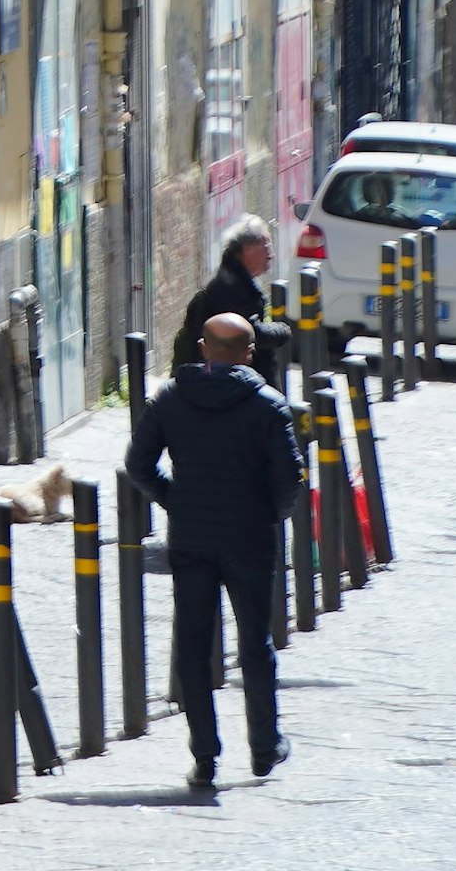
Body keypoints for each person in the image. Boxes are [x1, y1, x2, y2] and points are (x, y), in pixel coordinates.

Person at [123, 311, 306, 787]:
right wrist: (267, 515)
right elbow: (291, 481)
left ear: (203, 348)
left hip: (193, 539)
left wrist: (176, 501)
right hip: (250, 539)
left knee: (192, 644)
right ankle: (264, 746)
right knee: (255, 644)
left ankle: (205, 755)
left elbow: (138, 463)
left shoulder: (170, 399)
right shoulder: (268, 405)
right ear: (249, 354)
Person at [171, 218, 282, 380]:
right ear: (247, 249)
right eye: (266, 246)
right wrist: (281, 331)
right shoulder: (231, 289)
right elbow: (248, 334)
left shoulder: (236, 282)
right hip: (218, 383)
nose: (271, 254)